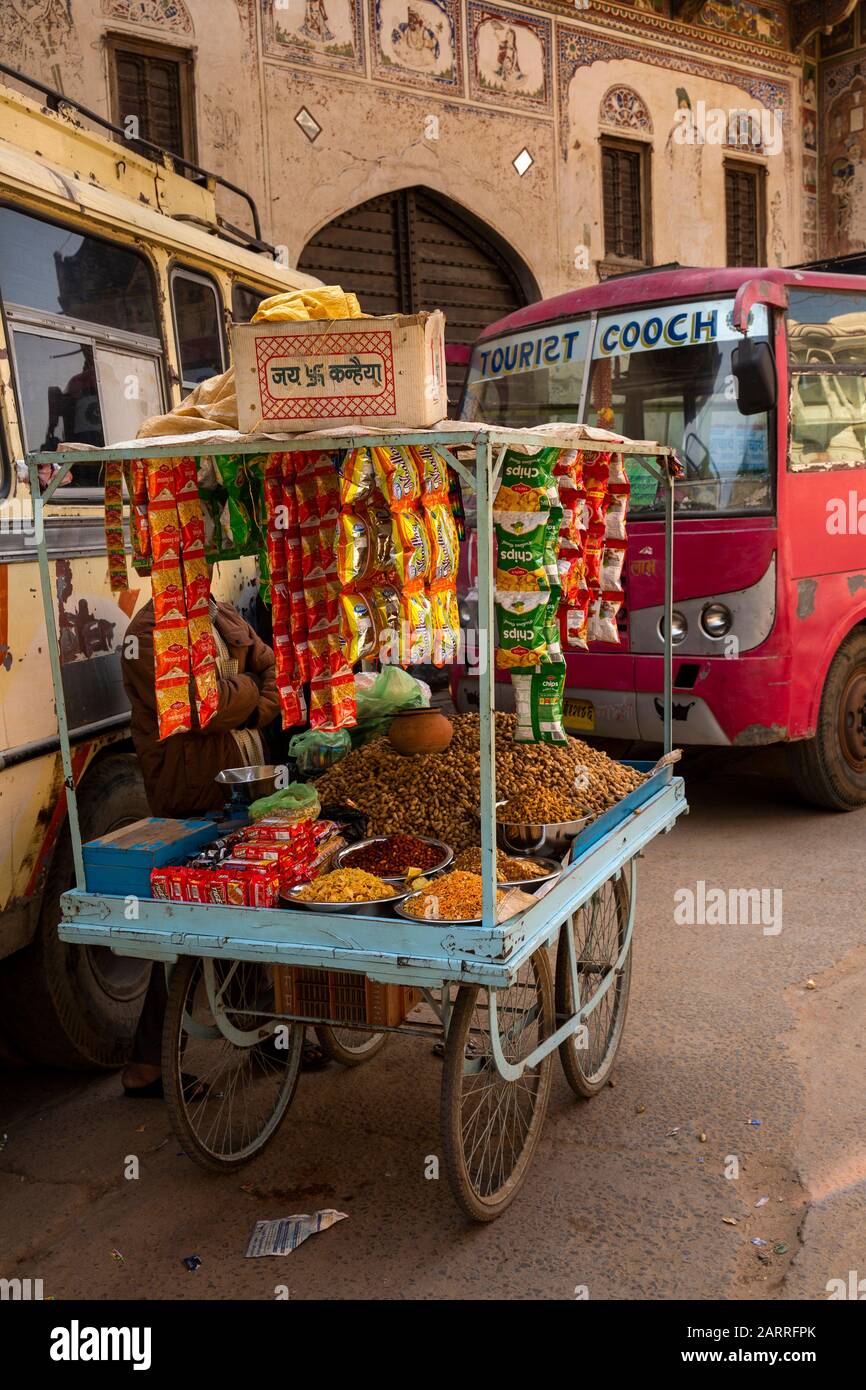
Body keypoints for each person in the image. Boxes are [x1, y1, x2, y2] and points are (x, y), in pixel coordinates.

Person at [119, 591, 279, 1096]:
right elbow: (202, 705)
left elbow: (267, 667)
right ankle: (148, 1065)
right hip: (192, 794)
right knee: (184, 931)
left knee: (247, 908)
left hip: (241, 784)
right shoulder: (146, 635)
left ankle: (262, 1036)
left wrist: (246, 694)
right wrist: (249, 691)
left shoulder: (218, 610)